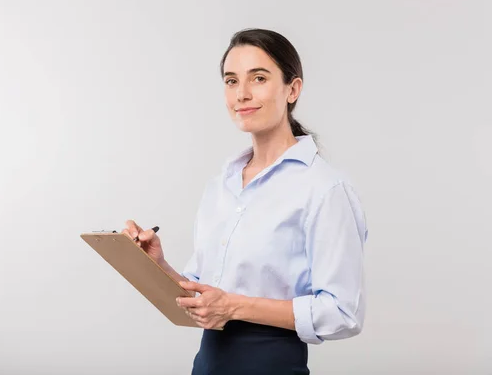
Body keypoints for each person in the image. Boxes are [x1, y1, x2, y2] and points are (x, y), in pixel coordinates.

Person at [122, 28, 368, 375]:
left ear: (292, 89)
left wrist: (235, 307)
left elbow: (344, 314)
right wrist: (157, 265)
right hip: (207, 366)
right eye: (231, 81)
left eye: (259, 78)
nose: (242, 94)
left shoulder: (324, 189)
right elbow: (202, 299)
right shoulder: (221, 185)